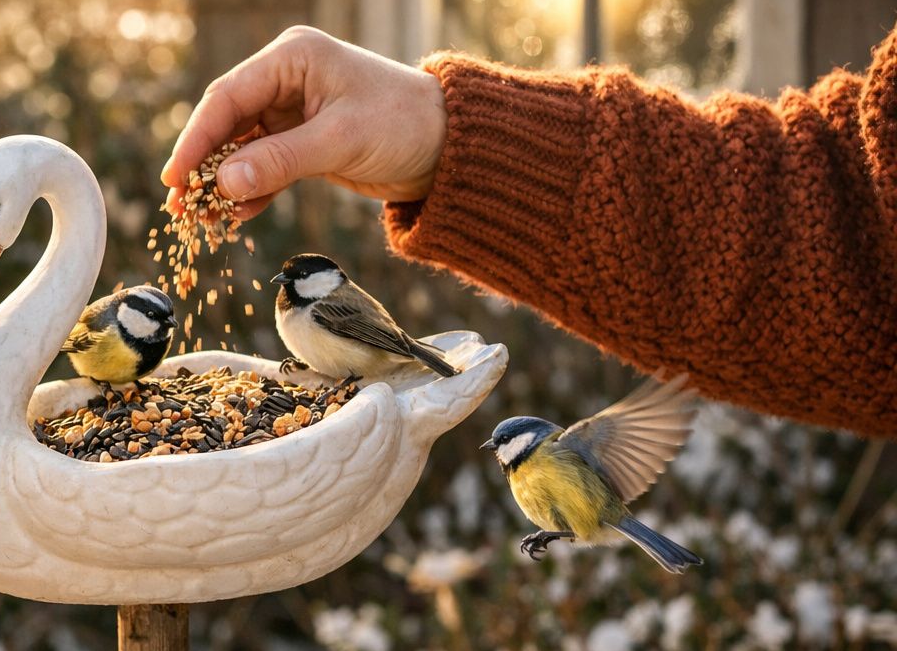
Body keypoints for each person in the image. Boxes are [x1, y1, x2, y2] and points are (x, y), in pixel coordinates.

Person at [162, 26, 897, 438]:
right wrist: (448, 138)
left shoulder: (329, 305)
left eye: (297, 281)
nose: (285, 288)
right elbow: (829, 217)